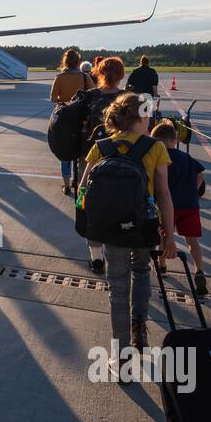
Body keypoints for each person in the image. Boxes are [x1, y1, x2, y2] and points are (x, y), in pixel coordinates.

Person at [77, 93, 176, 379]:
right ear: (141, 117)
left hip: (110, 228)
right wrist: (169, 235)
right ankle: (139, 329)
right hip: (143, 227)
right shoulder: (155, 147)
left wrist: (91, 223)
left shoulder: (100, 147)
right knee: (142, 271)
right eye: (148, 115)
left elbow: (82, 191)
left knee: (117, 288)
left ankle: (120, 360)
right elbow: (164, 195)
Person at [79, 56, 129, 272]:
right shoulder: (129, 99)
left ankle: (96, 257)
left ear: (98, 73)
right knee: (122, 205)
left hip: (91, 159)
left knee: (91, 207)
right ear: (121, 75)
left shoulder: (88, 97)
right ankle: (119, 253)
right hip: (123, 160)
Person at [152, 119, 209, 295]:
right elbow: (200, 175)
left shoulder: (160, 160)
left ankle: (162, 266)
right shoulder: (186, 157)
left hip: (167, 206)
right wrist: (193, 189)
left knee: (164, 236)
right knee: (192, 241)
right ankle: (199, 271)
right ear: (175, 140)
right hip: (189, 205)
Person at [49, 49, 95, 194]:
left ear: (65, 62)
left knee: (64, 151)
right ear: (78, 61)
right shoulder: (84, 77)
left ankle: (67, 185)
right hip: (81, 118)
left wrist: (64, 101)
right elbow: (93, 94)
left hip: (64, 119)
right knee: (82, 153)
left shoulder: (59, 77)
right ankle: (81, 183)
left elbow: (52, 98)